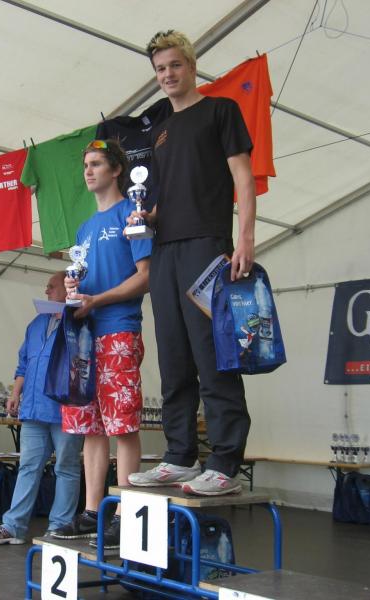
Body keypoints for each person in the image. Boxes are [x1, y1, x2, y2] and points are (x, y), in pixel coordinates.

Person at [127, 30, 257, 496]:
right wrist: (147, 217)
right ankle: (180, 455)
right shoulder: (160, 131)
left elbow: (244, 178)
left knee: (213, 353)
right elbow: (166, 196)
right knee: (174, 355)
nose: (168, 75)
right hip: (165, 249)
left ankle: (225, 462)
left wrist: (245, 239)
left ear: (192, 65)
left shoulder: (221, 110)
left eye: (175, 65)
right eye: (160, 69)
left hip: (207, 246)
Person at [50, 139, 152, 549]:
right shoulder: (84, 228)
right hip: (85, 338)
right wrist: (74, 290)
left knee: (122, 424)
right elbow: (85, 279)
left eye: (96, 164)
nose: (88, 171)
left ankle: (126, 513)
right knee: (90, 427)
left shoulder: (132, 213)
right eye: (86, 165)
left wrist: (99, 300)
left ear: (116, 170)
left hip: (119, 330)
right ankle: (93, 512)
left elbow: (145, 276)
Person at [0, 272, 83, 545]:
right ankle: (13, 526)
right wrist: (15, 394)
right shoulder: (36, 324)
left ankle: (59, 527)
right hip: (34, 409)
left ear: (67, 289)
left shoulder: (79, 320)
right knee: (28, 466)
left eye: (51, 286)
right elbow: (23, 363)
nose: (46, 290)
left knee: (67, 467)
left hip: (66, 409)